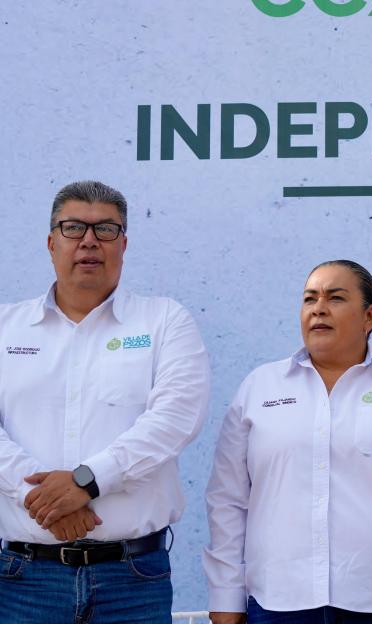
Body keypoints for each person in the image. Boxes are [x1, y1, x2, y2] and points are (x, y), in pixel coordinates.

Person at [204, 260, 372, 624]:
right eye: (309, 299)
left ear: (370, 316)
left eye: (335, 298)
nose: (318, 308)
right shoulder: (260, 388)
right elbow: (227, 500)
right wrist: (226, 594)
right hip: (278, 604)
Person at [0, 180, 212, 623]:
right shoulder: (6, 327)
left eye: (106, 229)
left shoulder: (164, 321)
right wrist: (38, 498)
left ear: (124, 243)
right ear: (51, 241)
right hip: (25, 580)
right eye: (74, 227)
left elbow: (174, 419)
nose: (89, 241)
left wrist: (87, 481)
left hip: (132, 578)